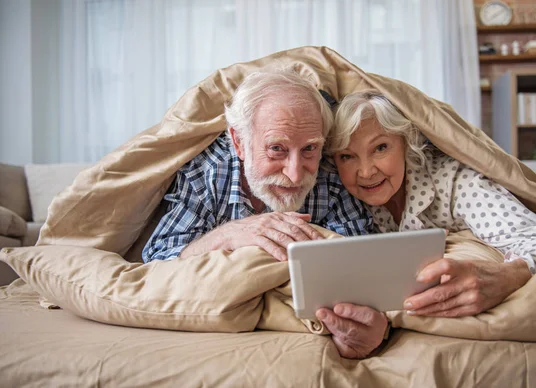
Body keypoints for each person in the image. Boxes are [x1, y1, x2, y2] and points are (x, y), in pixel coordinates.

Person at [315, 90, 536, 359]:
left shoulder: (455, 181)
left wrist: (510, 274)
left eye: (380, 148)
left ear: (406, 142)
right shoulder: (339, 194)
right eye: (347, 156)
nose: (366, 171)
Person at [142, 71, 372, 263]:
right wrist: (229, 235)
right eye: (276, 149)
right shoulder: (206, 174)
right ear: (239, 143)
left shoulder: (329, 174)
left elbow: (361, 260)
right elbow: (158, 259)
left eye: (309, 149)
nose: (295, 174)